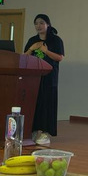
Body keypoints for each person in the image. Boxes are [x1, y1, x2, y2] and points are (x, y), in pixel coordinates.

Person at [23, 14, 64, 144]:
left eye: (41, 23)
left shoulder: (55, 40)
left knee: (47, 103)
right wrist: (32, 48)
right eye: (36, 23)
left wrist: (45, 50)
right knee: (34, 103)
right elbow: (24, 57)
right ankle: (34, 130)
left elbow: (60, 57)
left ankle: (46, 133)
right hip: (33, 78)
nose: (38, 26)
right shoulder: (32, 40)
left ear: (48, 24)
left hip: (49, 77)